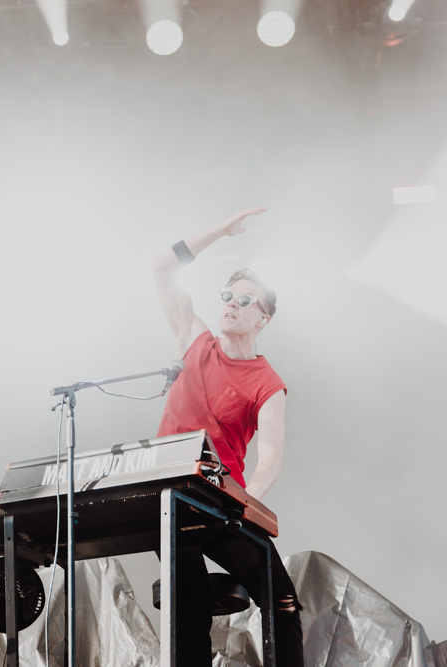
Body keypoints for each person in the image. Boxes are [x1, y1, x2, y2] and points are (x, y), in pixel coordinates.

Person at [151, 207, 303, 667]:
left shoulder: (268, 384)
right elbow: (161, 267)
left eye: (245, 300)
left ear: (265, 319)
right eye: (227, 295)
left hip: (222, 502)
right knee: (190, 609)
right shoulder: (193, 341)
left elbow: (269, 462)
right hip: (169, 496)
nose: (231, 304)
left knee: (284, 603)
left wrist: (240, 515)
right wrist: (220, 231)